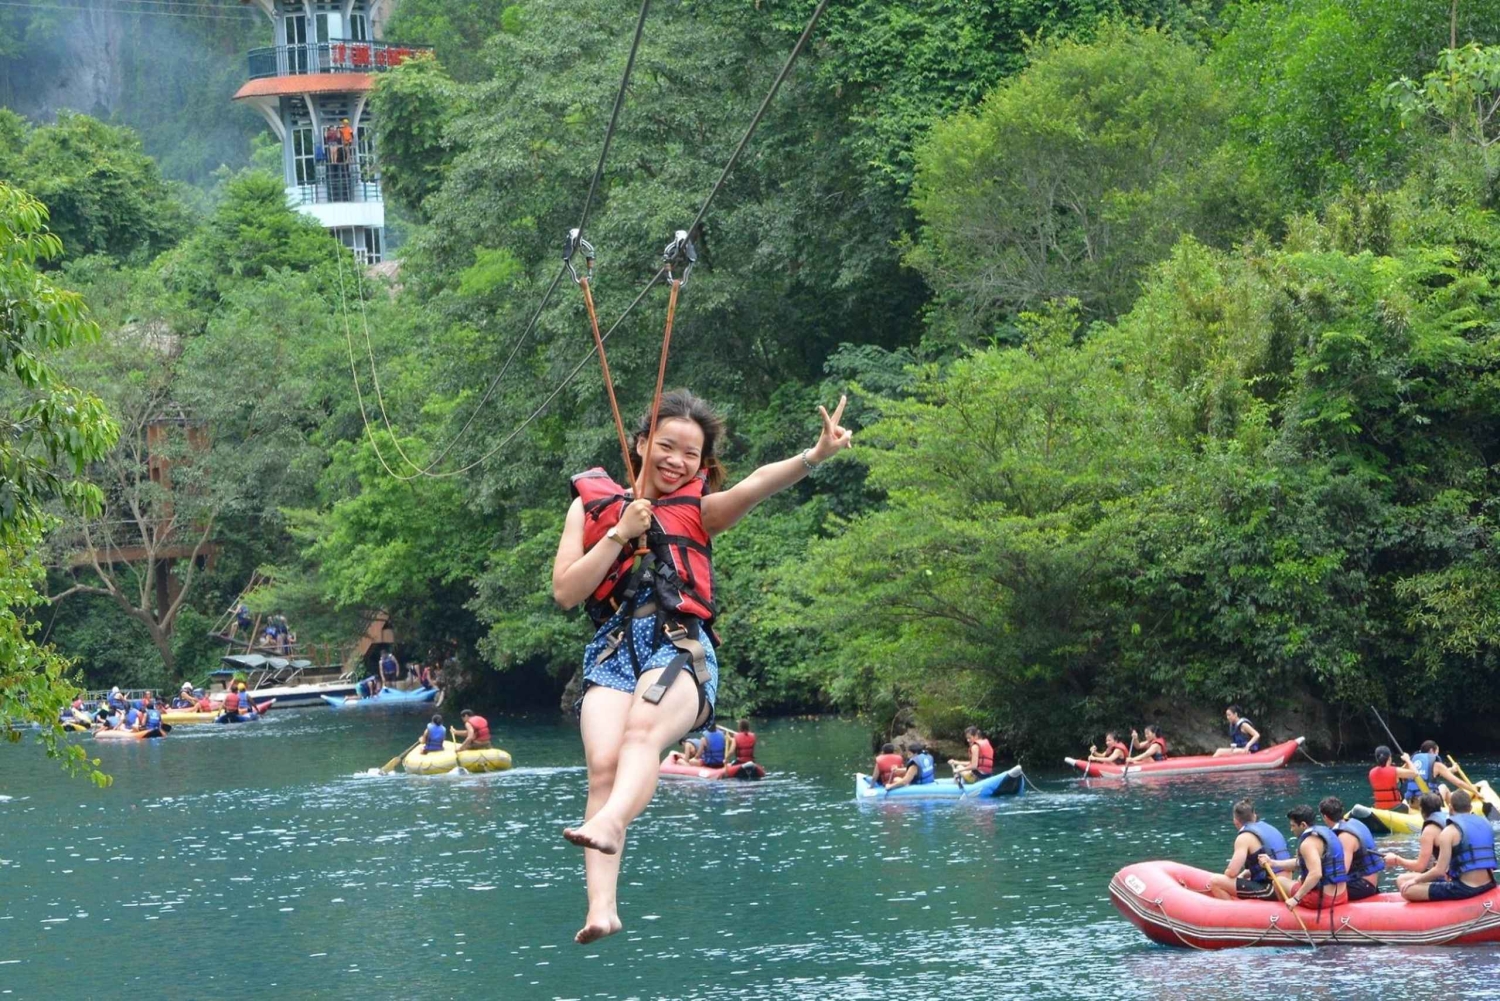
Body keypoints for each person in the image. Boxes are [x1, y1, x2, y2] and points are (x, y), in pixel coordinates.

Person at [553, 390, 851, 944]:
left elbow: (756, 484)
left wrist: (814, 455)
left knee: (642, 733)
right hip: (614, 651)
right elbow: (567, 592)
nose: (677, 461)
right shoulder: (591, 507)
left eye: (691, 455)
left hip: (677, 647)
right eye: (666, 447)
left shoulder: (700, 510)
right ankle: (602, 909)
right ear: (640, 443)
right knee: (602, 767)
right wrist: (620, 533)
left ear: (701, 463)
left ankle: (613, 820)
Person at [1398, 790, 1497, 901]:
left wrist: (1415, 881)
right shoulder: (1486, 824)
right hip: (1489, 883)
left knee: (1407, 890)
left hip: (1465, 888)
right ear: (1470, 807)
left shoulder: (1448, 832)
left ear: (1450, 807)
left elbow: (1439, 871)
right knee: (1406, 879)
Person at [1207, 799, 1292, 900]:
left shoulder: (1244, 837)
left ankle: (1231, 909)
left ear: (1235, 821)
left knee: (1215, 881)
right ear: (1254, 816)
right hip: (1287, 887)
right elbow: (1268, 865)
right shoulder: (1270, 828)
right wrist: (1245, 874)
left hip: (1272, 889)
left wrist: (1228, 879)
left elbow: (1232, 872)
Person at [1271, 804, 1348, 912]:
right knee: (1299, 880)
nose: (1291, 829)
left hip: (1323, 900)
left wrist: (1296, 899)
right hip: (1342, 895)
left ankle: (1285, 914)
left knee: (1278, 881)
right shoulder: (1326, 832)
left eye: (1293, 826)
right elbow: (1301, 863)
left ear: (1303, 825)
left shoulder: (1307, 844)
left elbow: (1316, 874)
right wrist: (1273, 863)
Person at [1322, 796, 1384, 900]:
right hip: (1369, 882)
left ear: (1325, 817)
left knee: (1318, 889)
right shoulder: (1355, 823)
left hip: (1362, 885)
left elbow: (1342, 871)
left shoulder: (1344, 837)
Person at [1384, 791, 1448, 876]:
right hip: (1459, 871)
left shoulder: (1429, 830)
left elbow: (1420, 867)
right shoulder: (1449, 818)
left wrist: (1397, 859)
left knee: (1403, 878)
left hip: (1450, 876)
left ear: (1421, 809)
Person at [1368, 745, 1405, 811]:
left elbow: (1388, 773)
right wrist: (1408, 760)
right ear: (1389, 758)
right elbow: (1414, 773)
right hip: (1395, 807)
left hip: (1378, 807)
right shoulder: (1395, 771)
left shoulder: (1372, 772)